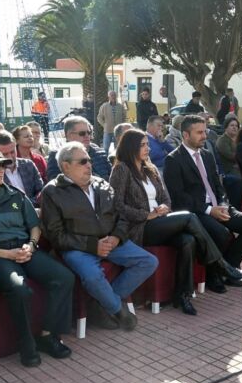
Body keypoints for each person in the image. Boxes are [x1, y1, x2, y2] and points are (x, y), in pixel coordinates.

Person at [110, 129, 242, 315]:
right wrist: (146, 214)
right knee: (190, 217)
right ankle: (221, 264)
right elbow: (117, 206)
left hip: (161, 221)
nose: (147, 148)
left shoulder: (150, 169)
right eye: (142, 145)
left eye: (147, 144)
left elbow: (167, 199)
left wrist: (164, 208)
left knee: (188, 241)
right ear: (130, 147)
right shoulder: (121, 169)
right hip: (139, 227)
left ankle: (182, 295)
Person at [0, 148, 73, 367]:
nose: (1, 170)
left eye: (3, 165)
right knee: (20, 289)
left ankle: (48, 335)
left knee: (64, 277)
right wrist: (6, 254)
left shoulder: (15, 195)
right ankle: (26, 343)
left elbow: (34, 226)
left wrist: (30, 246)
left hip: (23, 250)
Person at [40, 141, 158, 331]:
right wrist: (92, 245)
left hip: (111, 241)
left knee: (148, 262)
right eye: (83, 161)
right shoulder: (52, 192)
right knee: (93, 276)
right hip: (78, 248)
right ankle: (118, 310)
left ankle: (100, 303)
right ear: (65, 166)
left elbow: (121, 216)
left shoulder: (101, 184)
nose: (89, 164)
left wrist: (117, 237)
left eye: (89, 160)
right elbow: (57, 236)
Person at [163, 115, 242, 294]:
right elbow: (179, 198)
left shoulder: (207, 155)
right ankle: (213, 276)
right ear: (185, 135)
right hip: (196, 212)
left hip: (219, 206)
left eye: (205, 131)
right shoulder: (173, 159)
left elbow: (218, 185)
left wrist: (223, 203)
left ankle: (227, 269)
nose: (204, 136)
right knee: (222, 234)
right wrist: (210, 210)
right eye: (199, 132)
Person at [46, 116, 111, 181]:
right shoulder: (57, 156)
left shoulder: (100, 152)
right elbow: (55, 183)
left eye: (89, 133)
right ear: (69, 135)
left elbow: (112, 178)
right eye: (82, 133)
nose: (87, 136)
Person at [0, 131, 43, 200]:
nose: (10, 157)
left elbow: (41, 191)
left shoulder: (29, 165)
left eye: (12, 152)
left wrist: (29, 207)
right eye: (4, 154)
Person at [216, 116, 242, 208]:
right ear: (226, 127)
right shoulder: (222, 140)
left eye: (236, 125)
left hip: (240, 168)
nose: (235, 127)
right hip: (228, 171)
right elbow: (231, 156)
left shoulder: (240, 140)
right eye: (232, 125)